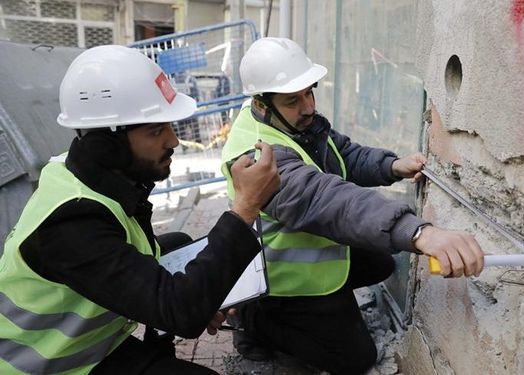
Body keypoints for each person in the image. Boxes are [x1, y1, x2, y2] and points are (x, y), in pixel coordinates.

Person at [0, 45, 279, 374]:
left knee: (177, 244)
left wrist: (199, 296)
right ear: (109, 143)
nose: (174, 141)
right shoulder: (71, 222)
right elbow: (181, 311)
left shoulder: (89, 173)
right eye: (156, 130)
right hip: (50, 365)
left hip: (93, 342)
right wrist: (244, 207)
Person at [220, 37, 485, 375]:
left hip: (310, 263)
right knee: (356, 359)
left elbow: (341, 153)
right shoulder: (257, 157)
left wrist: (390, 166)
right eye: (293, 100)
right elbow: (325, 199)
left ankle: (320, 314)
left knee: (380, 263)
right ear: (261, 102)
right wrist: (416, 231)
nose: (308, 107)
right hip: (282, 280)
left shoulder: (289, 121)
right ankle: (253, 319)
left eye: (309, 92)